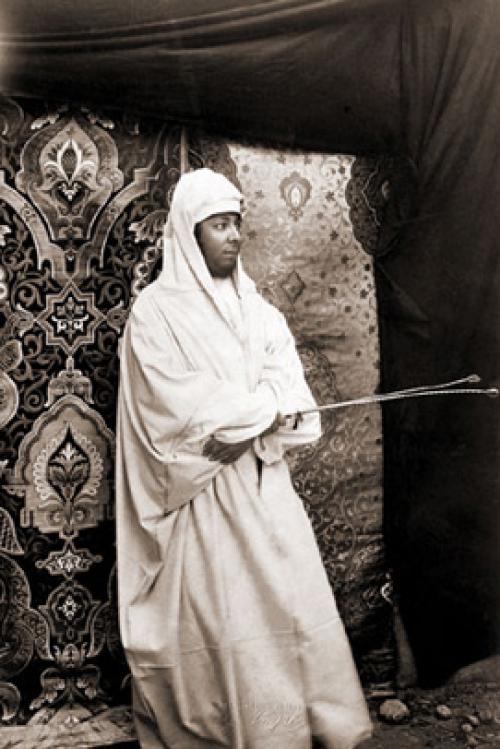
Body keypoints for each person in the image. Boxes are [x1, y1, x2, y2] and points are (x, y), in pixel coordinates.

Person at [115, 167, 372, 749]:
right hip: (202, 498)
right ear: (189, 233)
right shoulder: (155, 315)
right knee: (222, 617)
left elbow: (294, 393)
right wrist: (255, 414)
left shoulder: (260, 313)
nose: (233, 236)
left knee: (285, 604)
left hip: (261, 484)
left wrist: (254, 421)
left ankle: (288, 729)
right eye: (218, 225)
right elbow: (172, 402)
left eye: (236, 223)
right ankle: (236, 730)